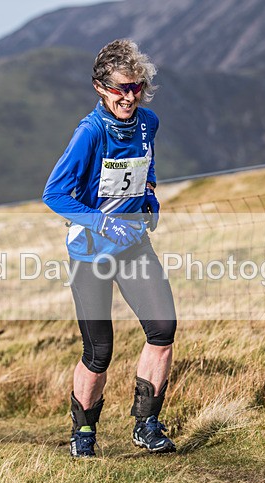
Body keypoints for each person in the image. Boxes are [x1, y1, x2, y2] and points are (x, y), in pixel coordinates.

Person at [42, 39, 177, 458]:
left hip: (135, 245)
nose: (130, 96)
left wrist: (149, 196)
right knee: (99, 352)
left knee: (163, 330)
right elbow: (54, 194)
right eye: (120, 88)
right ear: (101, 87)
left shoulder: (147, 122)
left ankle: (146, 424)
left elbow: (145, 163)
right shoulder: (89, 133)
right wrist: (102, 220)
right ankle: (84, 433)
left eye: (137, 87)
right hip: (90, 252)